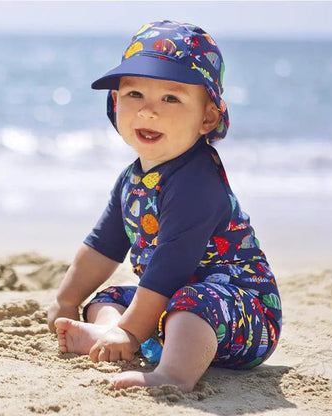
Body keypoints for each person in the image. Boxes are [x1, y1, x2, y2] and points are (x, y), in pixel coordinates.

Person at [47, 20, 282, 393]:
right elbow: (101, 248)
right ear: (114, 102)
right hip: (170, 304)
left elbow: (169, 270)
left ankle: (172, 374)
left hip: (239, 312)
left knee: (190, 301)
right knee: (109, 296)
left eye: (170, 98)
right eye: (135, 94)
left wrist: (131, 329)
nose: (148, 111)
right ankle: (108, 333)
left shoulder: (197, 182)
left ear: (207, 117)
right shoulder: (131, 179)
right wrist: (67, 299)